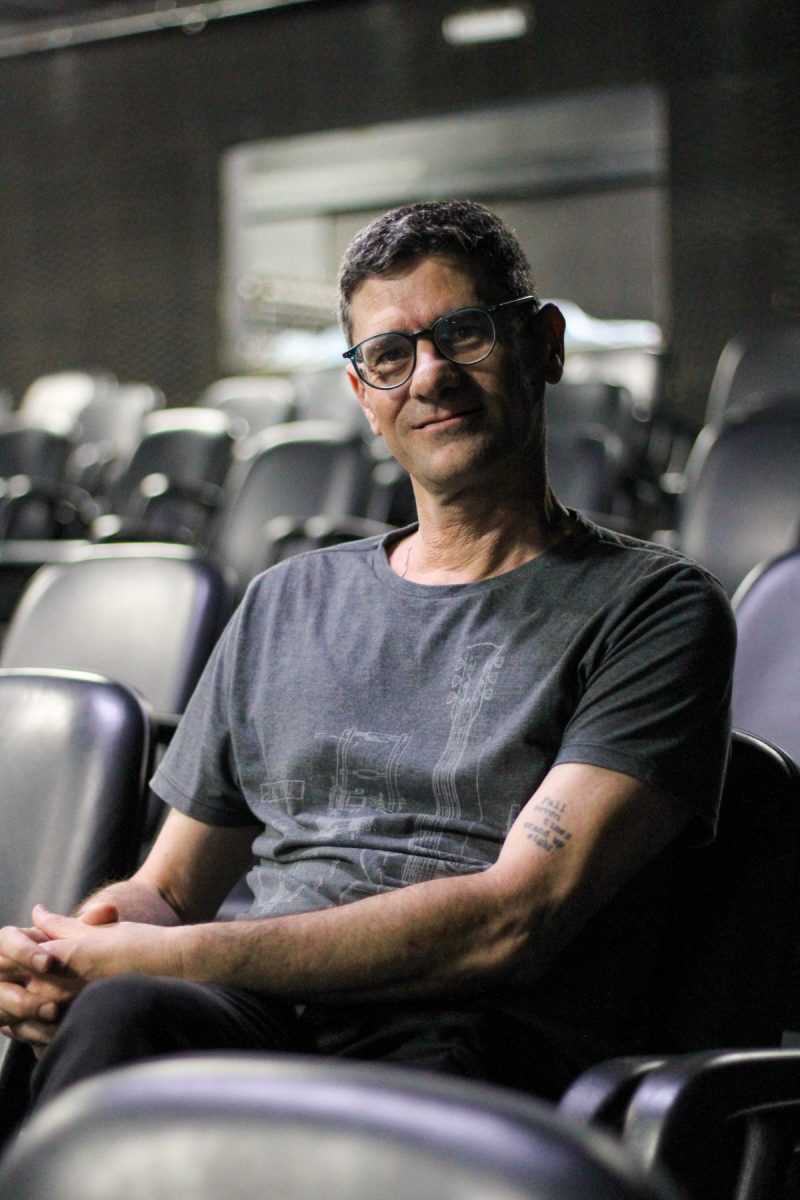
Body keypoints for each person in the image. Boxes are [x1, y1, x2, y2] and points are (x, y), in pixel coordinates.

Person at [0, 200, 735, 1110]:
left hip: (469, 1043)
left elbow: (514, 921)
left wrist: (168, 957)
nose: (431, 377)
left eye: (465, 334)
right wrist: (78, 949)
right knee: (115, 1017)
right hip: (266, 1015)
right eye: (390, 355)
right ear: (362, 394)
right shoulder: (286, 600)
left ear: (543, 346)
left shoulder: (654, 610)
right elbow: (173, 895)